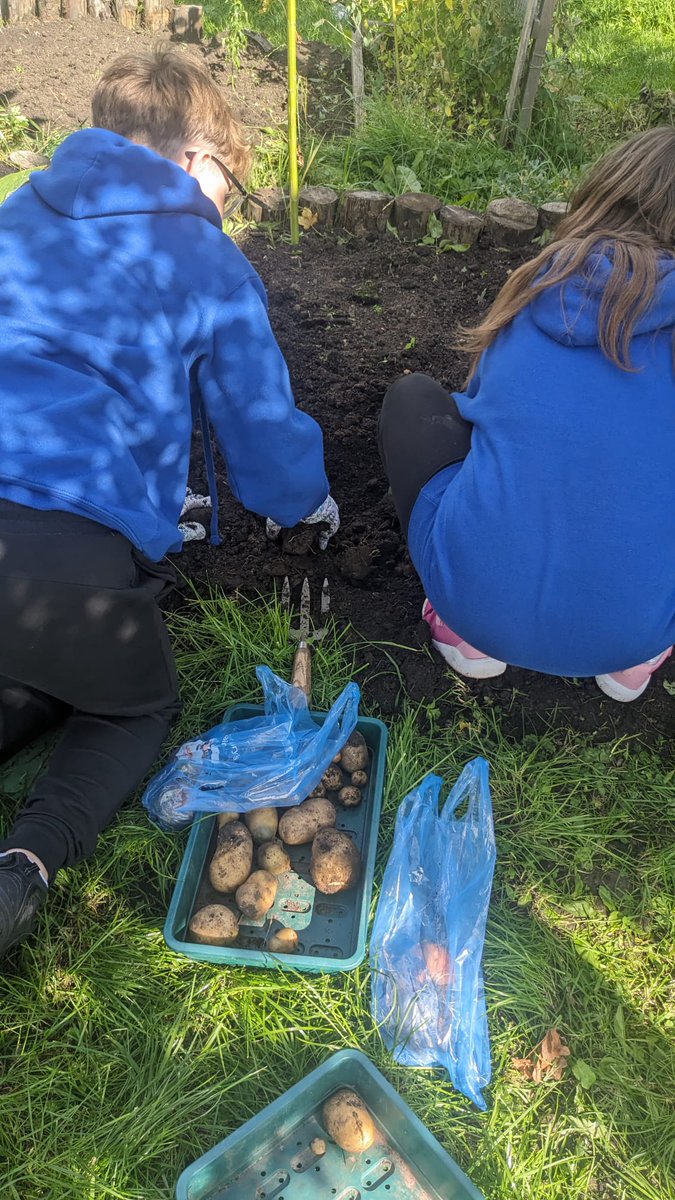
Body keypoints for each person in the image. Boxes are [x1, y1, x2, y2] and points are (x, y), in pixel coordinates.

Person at [0, 50, 339, 959]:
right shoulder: (201, 254)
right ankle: (24, 866)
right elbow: (260, 429)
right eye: (231, 179)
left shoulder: (14, 214)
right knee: (128, 705)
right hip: (66, 547)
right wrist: (306, 505)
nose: (228, 201)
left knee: (26, 668)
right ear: (194, 160)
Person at [379, 127, 675, 702]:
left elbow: (485, 413)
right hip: (634, 629)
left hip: (476, 602)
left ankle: (466, 637)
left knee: (415, 399)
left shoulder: (545, 286)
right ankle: (634, 662)